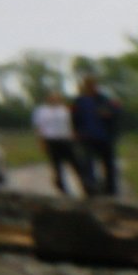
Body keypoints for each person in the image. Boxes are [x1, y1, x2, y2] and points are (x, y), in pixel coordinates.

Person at [70, 73, 129, 203]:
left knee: (108, 163)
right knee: (87, 163)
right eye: (89, 85)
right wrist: (75, 131)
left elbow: (117, 111)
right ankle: (91, 189)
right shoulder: (79, 101)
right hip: (86, 137)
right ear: (84, 86)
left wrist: (110, 113)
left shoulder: (104, 99)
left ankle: (110, 189)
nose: (92, 87)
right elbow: (74, 117)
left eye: (93, 85)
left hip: (105, 136)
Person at [34, 89, 77, 196]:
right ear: (48, 99)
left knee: (75, 162)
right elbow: (39, 127)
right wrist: (41, 141)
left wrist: (73, 136)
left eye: (56, 98)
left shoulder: (65, 109)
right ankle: (61, 186)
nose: (54, 100)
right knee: (57, 164)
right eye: (52, 98)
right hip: (51, 140)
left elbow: (71, 123)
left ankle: (86, 184)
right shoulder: (41, 111)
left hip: (65, 139)